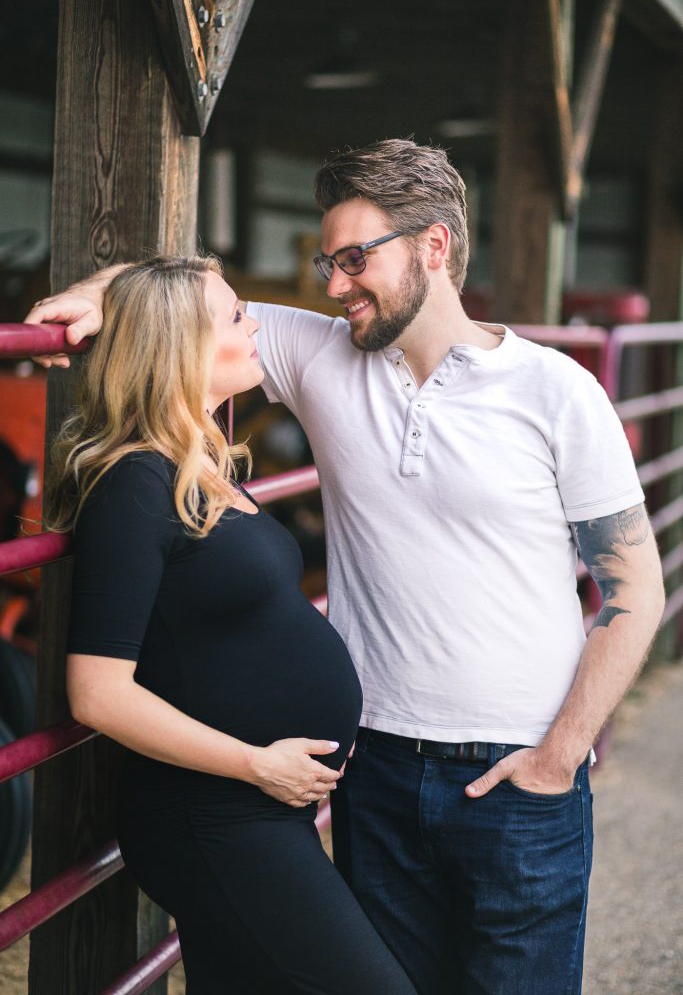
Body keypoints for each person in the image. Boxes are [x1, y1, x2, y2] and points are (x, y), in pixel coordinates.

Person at [30, 140, 665, 995]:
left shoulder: (555, 392)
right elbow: (173, 304)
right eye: (328, 262)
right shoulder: (319, 352)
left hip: (516, 776)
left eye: (354, 259)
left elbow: (634, 588)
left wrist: (558, 758)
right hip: (376, 775)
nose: (333, 285)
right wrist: (75, 301)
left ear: (433, 247)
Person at [43, 255, 417, 995]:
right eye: (237, 317)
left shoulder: (199, 467)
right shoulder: (135, 486)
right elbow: (97, 693)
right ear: (180, 345)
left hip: (253, 812)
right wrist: (256, 764)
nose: (255, 327)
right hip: (212, 814)